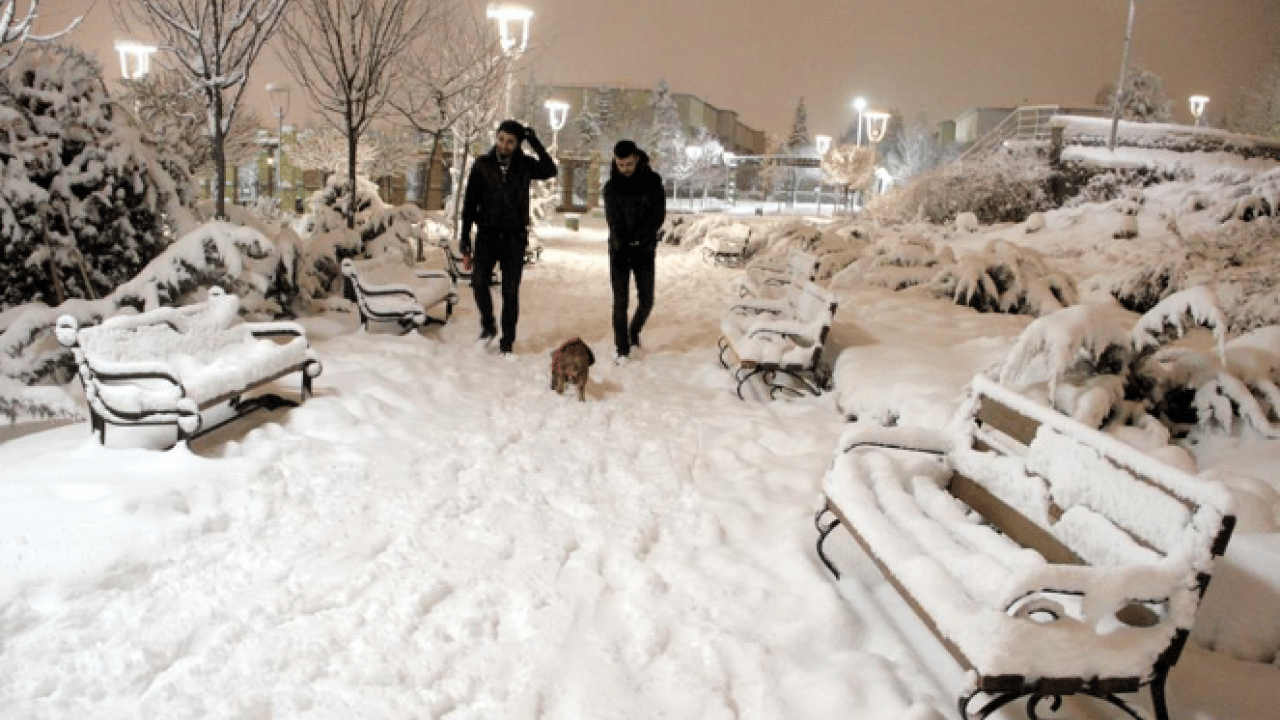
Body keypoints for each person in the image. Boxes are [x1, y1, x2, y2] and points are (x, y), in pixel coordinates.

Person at [459, 119, 558, 354]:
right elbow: (470, 203)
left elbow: (550, 170)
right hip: (487, 235)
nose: (504, 145)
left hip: (514, 237)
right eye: (501, 139)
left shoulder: (525, 165)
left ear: (517, 144)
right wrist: (465, 239)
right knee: (479, 280)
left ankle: (507, 342)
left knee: (510, 291)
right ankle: (488, 324)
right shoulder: (482, 165)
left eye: (510, 141)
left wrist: (534, 141)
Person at [603, 140, 666, 361]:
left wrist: (641, 239)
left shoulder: (653, 182)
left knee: (647, 300)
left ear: (636, 158)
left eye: (628, 164)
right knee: (620, 301)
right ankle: (622, 348)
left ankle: (634, 331)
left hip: (645, 250)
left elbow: (658, 216)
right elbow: (613, 220)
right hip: (619, 251)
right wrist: (623, 242)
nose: (625, 169)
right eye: (621, 165)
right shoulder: (611, 188)